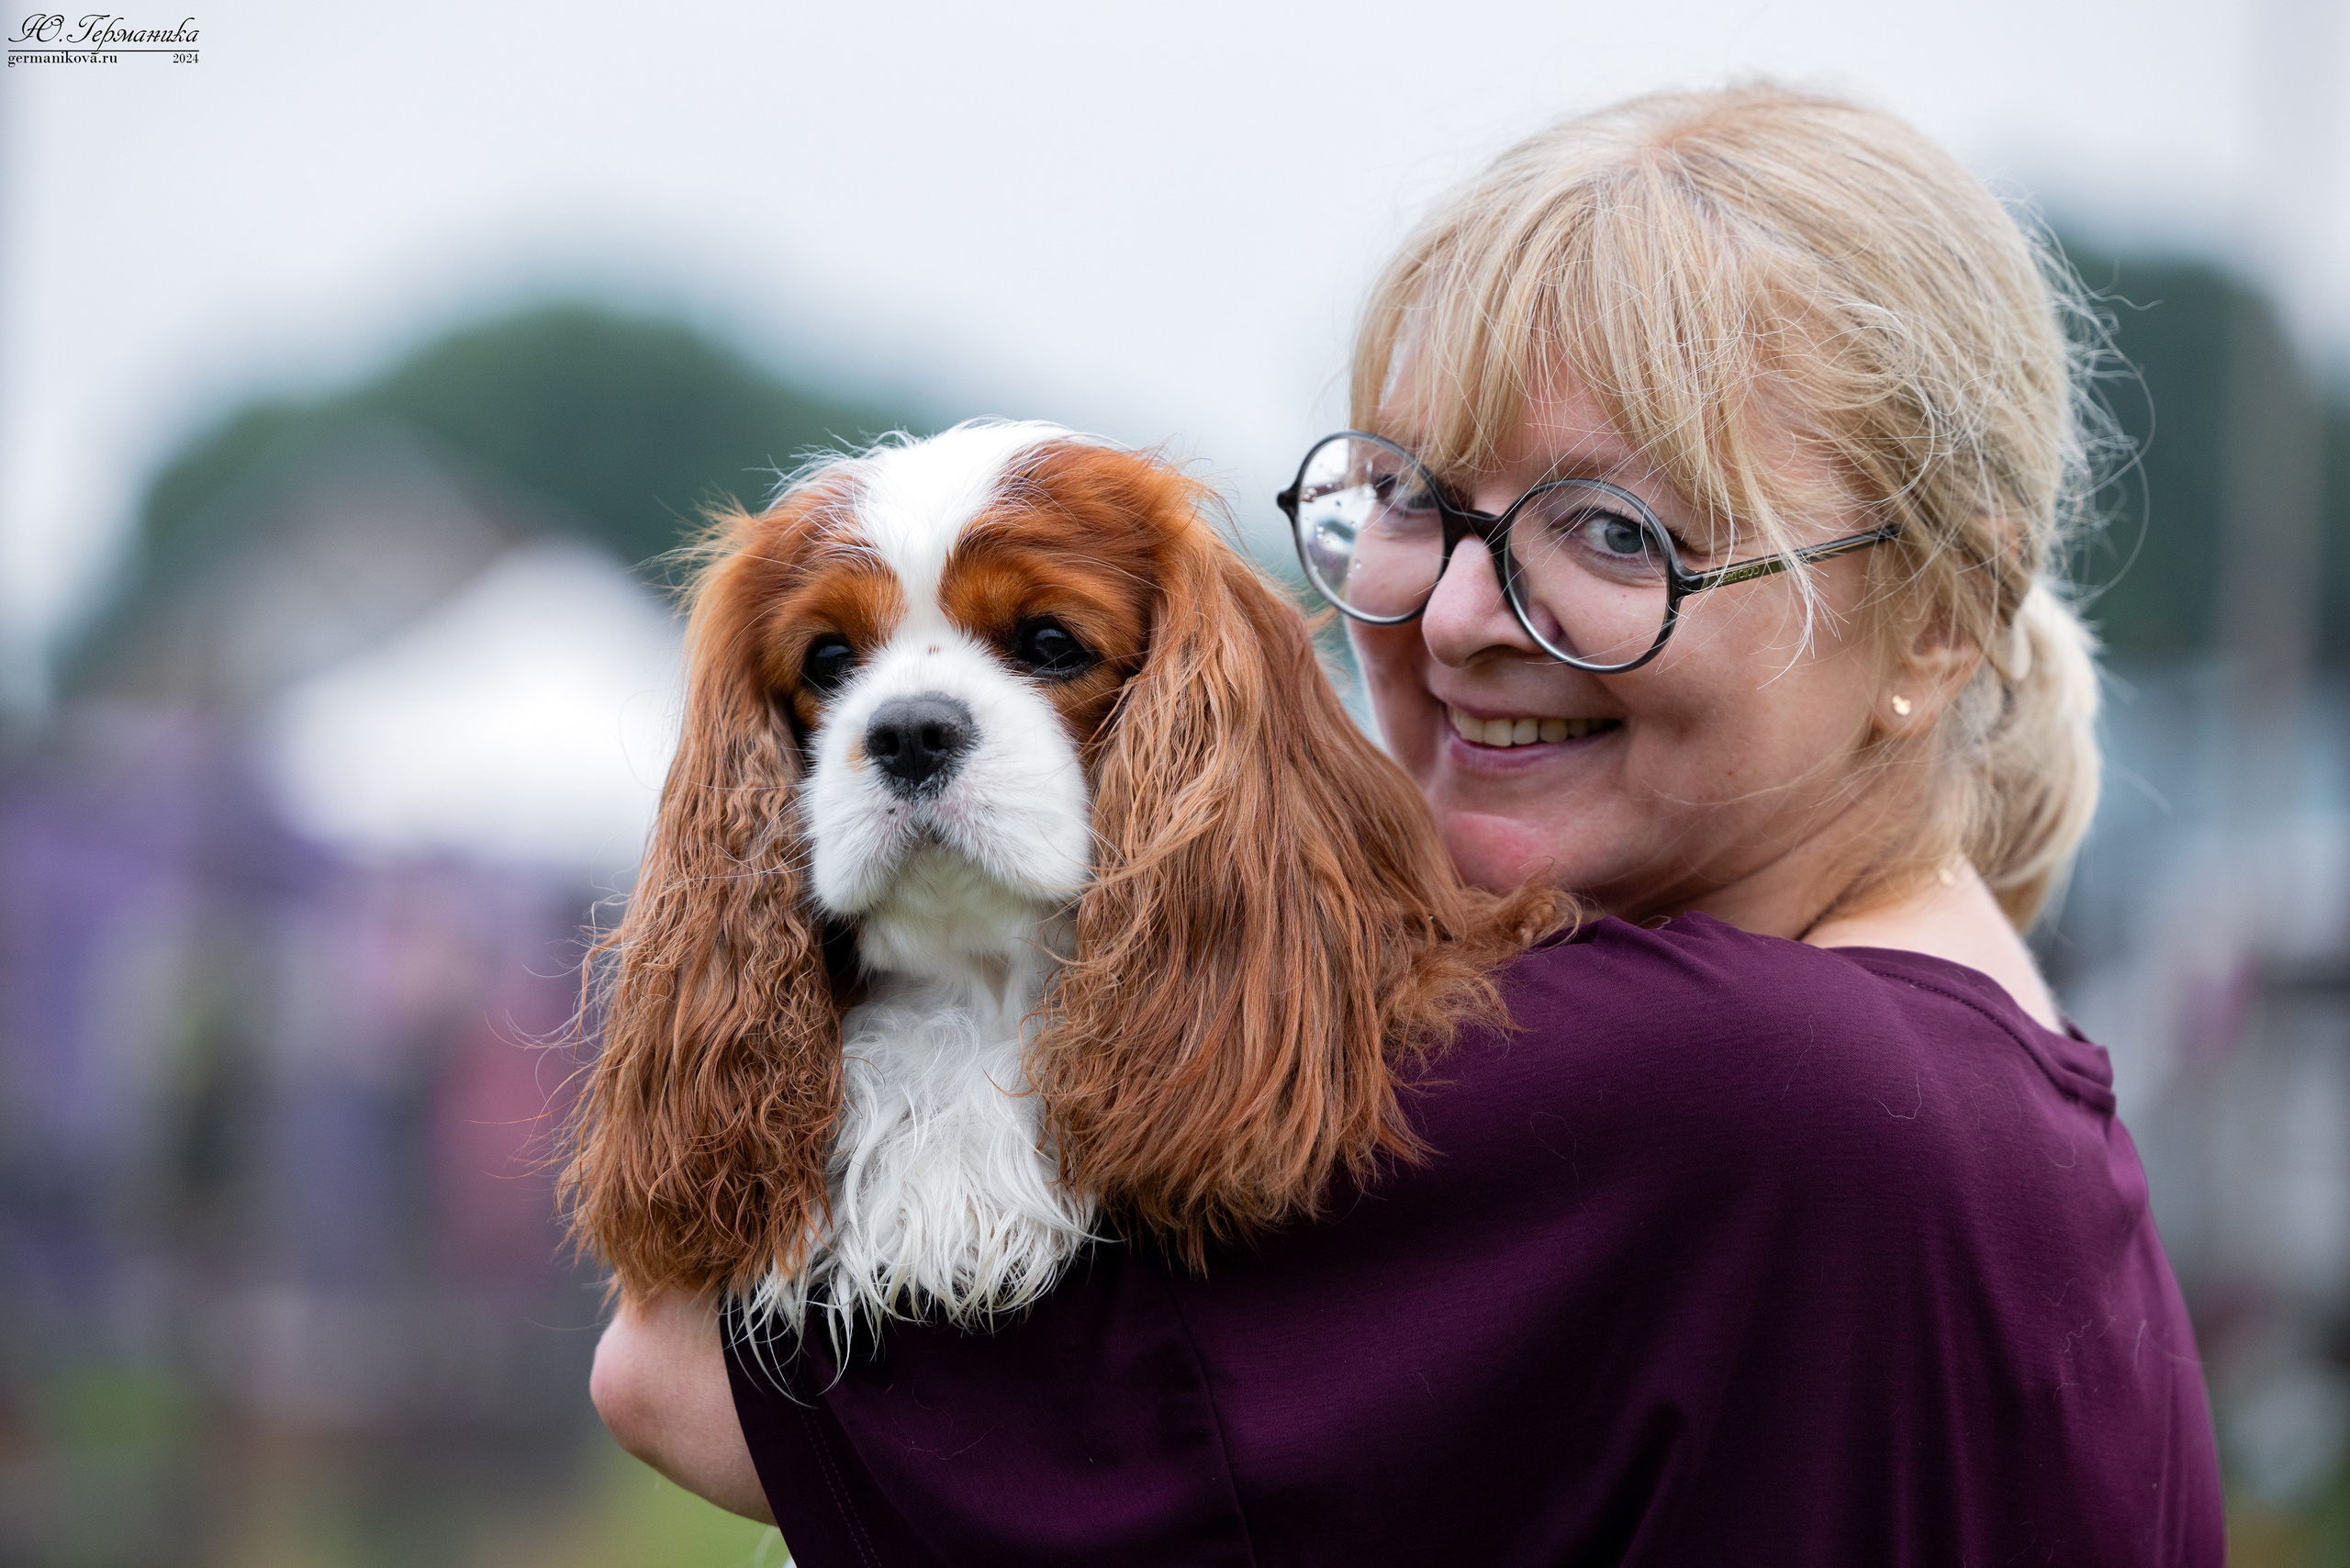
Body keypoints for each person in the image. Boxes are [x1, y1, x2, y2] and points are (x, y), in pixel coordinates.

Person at [589, 85, 2223, 1563]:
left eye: (1613, 530)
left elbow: (683, 1373)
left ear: (1940, 613)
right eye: (1413, 501)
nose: (1453, 616)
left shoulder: (1739, 1088)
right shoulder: (2020, 1103)